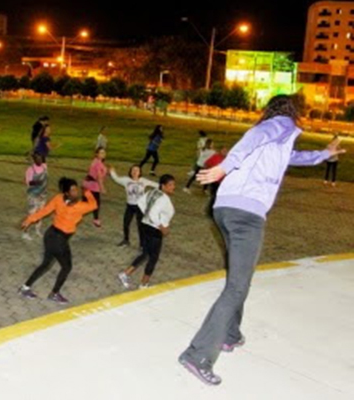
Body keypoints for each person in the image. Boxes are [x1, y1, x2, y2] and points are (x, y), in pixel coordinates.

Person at [178, 95, 346, 386]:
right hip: (246, 214)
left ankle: (230, 335)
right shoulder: (279, 125)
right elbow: (256, 135)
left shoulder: (275, 140)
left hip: (226, 209)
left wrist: (322, 154)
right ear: (292, 111)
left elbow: (291, 157)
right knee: (237, 286)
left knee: (239, 278)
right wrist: (224, 167)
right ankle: (198, 355)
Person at [19, 177, 98, 304]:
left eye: (76, 189)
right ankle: (54, 294)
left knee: (46, 264)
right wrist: (87, 192)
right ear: (66, 192)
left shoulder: (58, 198)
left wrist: (30, 220)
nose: (76, 192)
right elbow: (94, 205)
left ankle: (25, 288)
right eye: (72, 190)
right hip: (59, 240)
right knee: (67, 267)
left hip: (50, 235)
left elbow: (45, 211)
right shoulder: (79, 206)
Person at [117, 174, 176, 290]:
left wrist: (147, 215)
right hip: (154, 229)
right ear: (163, 186)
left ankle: (125, 274)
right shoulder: (163, 199)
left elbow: (140, 202)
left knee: (146, 254)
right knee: (153, 257)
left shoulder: (152, 192)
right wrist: (161, 226)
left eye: (173, 184)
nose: (173, 187)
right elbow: (153, 213)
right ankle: (144, 283)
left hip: (145, 225)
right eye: (170, 185)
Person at [110, 165, 158, 247]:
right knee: (126, 223)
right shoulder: (126, 180)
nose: (135, 172)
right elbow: (116, 179)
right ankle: (126, 240)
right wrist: (112, 171)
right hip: (130, 206)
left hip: (140, 207)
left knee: (140, 226)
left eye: (137, 170)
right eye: (133, 170)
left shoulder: (143, 181)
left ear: (140, 172)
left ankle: (142, 244)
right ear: (130, 172)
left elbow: (156, 185)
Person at [22, 153, 48, 241]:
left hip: (42, 194)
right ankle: (25, 232)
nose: (40, 160)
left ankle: (38, 229)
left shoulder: (44, 167)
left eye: (41, 158)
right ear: (34, 160)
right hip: (33, 194)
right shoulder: (30, 170)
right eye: (37, 159)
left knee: (40, 213)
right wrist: (37, 182)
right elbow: (27, 182)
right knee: (31, 214)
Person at [83, 147, 108, 228]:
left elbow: (89, 170)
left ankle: (72, 212)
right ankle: (96, 219)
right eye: (101, 153)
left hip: (88, 184)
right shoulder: (98, 163)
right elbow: (99, 177)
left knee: (86, 203)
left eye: (104, 153)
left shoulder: (96, 161)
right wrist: (102, 188)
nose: (103, 154)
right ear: (97, 154)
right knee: (95, 203)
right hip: (93, 186)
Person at [203, 146, 228, 217]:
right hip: (215, 181)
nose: (225, 152)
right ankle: (210, 211)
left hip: (223, 182)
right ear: (220, 151)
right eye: (223, 151)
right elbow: (206, 163)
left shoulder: (227, 159)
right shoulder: (215, 157)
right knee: (214, 196)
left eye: (226, 151)